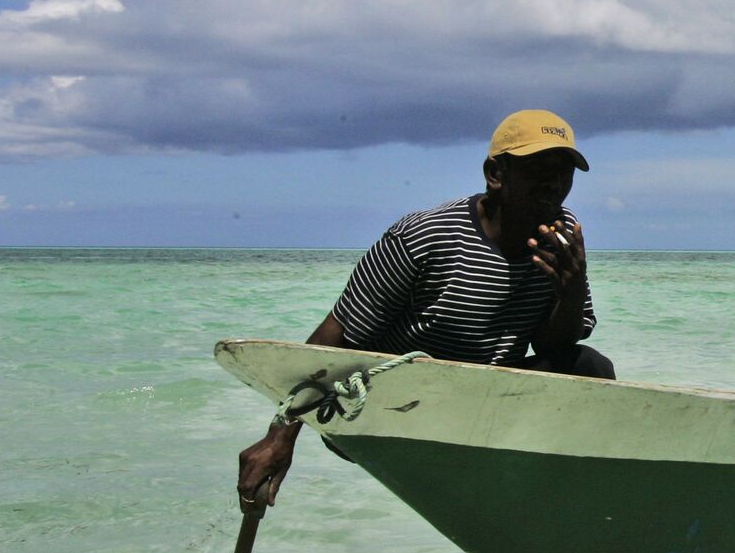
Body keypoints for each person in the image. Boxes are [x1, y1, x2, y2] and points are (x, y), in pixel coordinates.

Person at [236, 110, 612, 505]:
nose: (554, 184)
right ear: (496, 174)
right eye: (538, 169)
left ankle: (581, 498)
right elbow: (334, 338)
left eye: (563, 172)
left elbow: (554, 349)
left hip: (485, 401)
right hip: (392, 408)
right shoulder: (423, 237)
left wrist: (570, 292)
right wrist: (280, 438)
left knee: (590, 367)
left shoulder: (561, 237)